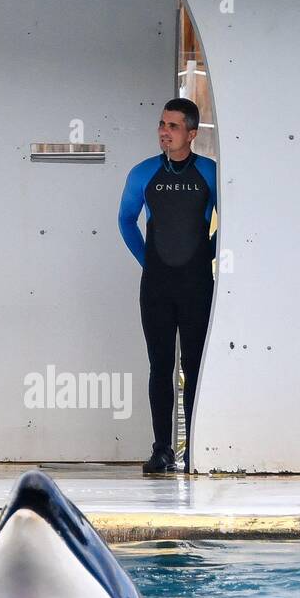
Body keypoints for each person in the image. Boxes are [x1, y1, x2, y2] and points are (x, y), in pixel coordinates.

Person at [118, 98, 218, 474]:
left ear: (191, 133)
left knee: (194, 367)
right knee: (160, 366)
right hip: (157, 287)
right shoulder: (143, 173)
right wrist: (149, 262)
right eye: (162, 123)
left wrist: (207, 251)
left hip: (197, 286)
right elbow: (126, 221)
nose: (165, 131)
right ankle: (162, 450)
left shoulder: (209, 172)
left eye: (173, 126)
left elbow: (231, 219)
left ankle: (196, 448)